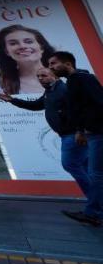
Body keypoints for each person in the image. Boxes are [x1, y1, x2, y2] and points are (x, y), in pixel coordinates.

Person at [0, 66, 88, 197]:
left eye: (44, 76)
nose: (40, 78)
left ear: (55, 76)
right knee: (85, 168)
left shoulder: (63, 90)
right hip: (68, 135)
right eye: (38, 76)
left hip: (73, 135)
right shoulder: (50, 91)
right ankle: (97, 202)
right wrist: (12, 100)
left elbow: (80, 111)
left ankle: (95, 201)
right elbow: (36, 105)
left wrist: (80, 131)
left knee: (71, 165)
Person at [48, 51, 103, 227]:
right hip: (91, 133)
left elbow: (99, 103)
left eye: (53, 64)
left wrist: (83, 129)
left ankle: (93, 213)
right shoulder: (72, 81)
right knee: (94, 172)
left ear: (68, 64)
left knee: (95, 174)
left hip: (97, 132)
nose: (51, 68)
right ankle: (93, 211)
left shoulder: (82, 79)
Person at [0, 25, 54, 95]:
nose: (22, 46)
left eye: (29, 41)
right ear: (6, 51)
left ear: (41, 48)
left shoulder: (62, 75)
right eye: (13, 43)